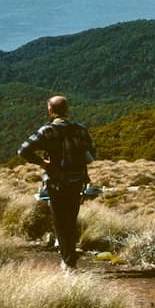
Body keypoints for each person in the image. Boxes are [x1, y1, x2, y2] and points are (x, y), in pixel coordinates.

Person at [18, 95, 96, 270]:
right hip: (77, 182)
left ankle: (68, 262)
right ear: (67, 110)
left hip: (56, 182)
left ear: (50, 110)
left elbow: (23, 150)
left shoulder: (47, 131)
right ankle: (70, 258)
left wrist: (43, 163)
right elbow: (93, 153)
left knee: (60, 222)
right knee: (71, 220)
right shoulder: (81, 130)